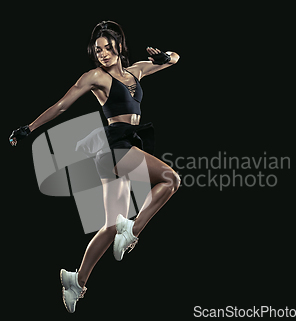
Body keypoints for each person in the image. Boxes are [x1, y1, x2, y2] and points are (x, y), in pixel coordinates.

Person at [9, 21, 180, 313]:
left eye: (107, 47)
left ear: (119, 46)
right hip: (114, 146)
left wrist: (165, 58)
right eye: (97, 50)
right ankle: (134, 230)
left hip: (119, 148)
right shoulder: (95, 78)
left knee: (112, 224)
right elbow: (63, 105)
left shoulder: (135, 71)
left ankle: (77, 279)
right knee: (170, 179)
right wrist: (30, 127)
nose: (102, 53)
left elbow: (175, 58)